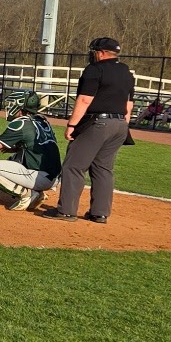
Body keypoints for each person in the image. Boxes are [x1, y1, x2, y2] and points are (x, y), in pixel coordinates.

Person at [43, 36, 135, 223]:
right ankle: (100, 214)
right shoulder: (126, 72)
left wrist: (72, 125)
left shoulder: (94, 69)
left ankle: (66, 211)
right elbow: (129, 105)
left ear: (100, 53)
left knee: (74, 166)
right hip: (120, 125)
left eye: (93, 51)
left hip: (98, 123)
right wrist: (123, 125)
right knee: (103, 168)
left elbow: (85, 100)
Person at [0, 90, 63, 212]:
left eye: (12, 104)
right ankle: (36, 192)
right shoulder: (42, 120)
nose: (9, 107)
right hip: (55, 176)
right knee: (13, 159)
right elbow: (35, 145)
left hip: (40, 177)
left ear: (20, 107)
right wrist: (13, 148)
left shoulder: (20, 124)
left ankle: (27, 194)